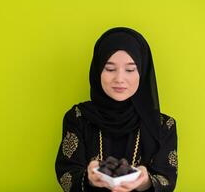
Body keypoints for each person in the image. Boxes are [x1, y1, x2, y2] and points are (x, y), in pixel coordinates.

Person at [55, 27, 178, 192]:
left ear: (142, 72)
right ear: (98, 70)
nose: (119, 79)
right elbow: (66, 175)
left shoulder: (163, 125)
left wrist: (144, 181)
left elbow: (167, 180)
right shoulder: (78, 117)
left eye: (130, 69)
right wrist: (89, 178)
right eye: (110, 69)